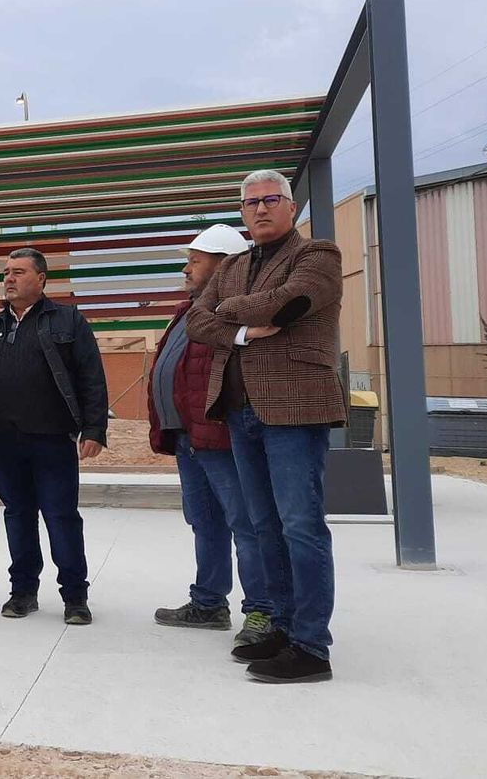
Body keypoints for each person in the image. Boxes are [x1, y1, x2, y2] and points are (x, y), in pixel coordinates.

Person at [186, 169, 345, 684]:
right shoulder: (232, 265)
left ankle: (310, 645)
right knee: (264, 525)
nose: (260, 209)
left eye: (271, 199)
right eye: (250, 202)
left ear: (291, 206)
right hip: (240, 411)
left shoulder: (318, 256)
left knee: (301, 524)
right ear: (241, 212)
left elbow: (292, 302)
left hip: (295, 409)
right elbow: (197, 321)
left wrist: (229, 312)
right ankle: (278, 624)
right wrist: (244, 332)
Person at [0, 248, 108, 625]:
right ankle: (22, 592)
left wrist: (94, 429)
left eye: (18, 272)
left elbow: (91, 377)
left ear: (41, 279)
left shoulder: (69, 321)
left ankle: (75, 597)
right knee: (18, 516)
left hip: (53, 440)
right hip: (5, 441)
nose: (8, 279)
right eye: (6, 272)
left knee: (60, 516)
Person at [147, 224, 275, 649]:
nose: (186, 268)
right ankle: (208, 602)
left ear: (223, 265)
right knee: (205, 521)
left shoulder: (236, 308)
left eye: (195, 260)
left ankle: (262, 610)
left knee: (245, 523)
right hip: (189, 438)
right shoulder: (192, 308)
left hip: (221, 436)